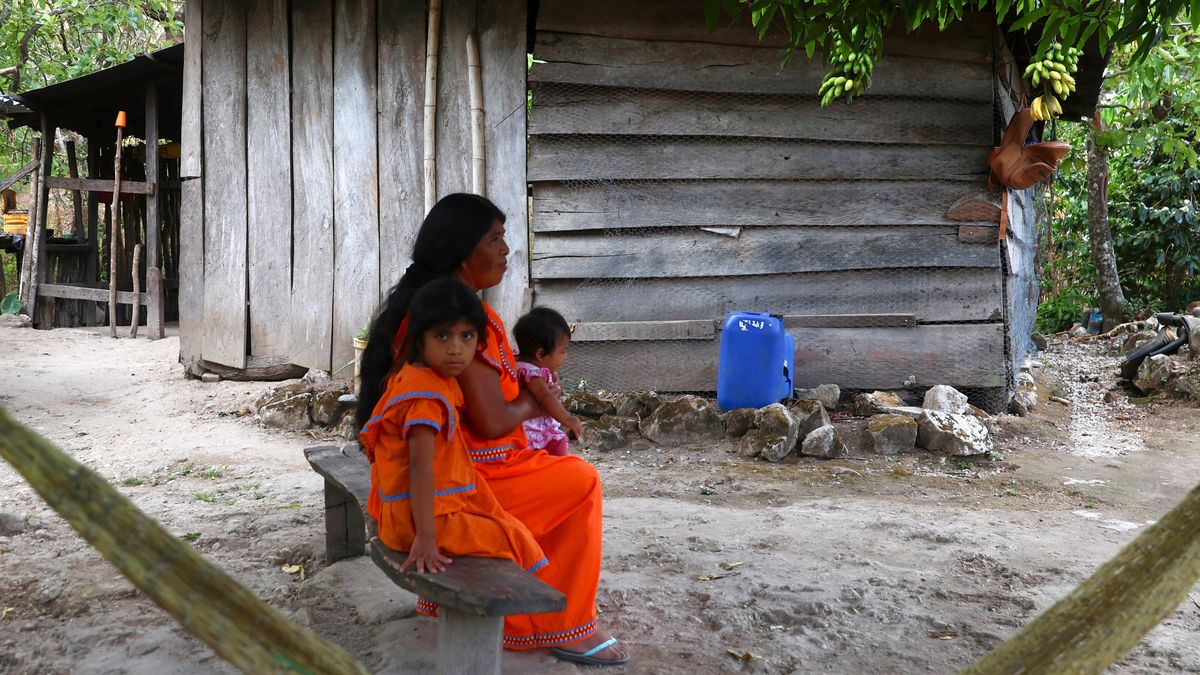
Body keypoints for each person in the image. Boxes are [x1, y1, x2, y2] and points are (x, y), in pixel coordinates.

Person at [355, 194, 630, 666]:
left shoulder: (433, 308)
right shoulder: (460, 320)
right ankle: (563, 625)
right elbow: (491, 421)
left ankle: (532, 611)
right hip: (467, 483)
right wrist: (536, 401)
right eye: (495, 239)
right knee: (582, 481)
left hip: (452, 475)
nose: (506, 250)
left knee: (560, 471)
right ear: (463, 250)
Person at [359, 278, 545, 577]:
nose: (456, 349)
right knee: (515, 539)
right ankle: (518, 610)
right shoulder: (425, 399)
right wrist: (426, 537)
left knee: (503, 522)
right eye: (442, 336)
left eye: (466, 336)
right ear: (419, 339)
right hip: (416, 525)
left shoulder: (418, 376)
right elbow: (420, 468)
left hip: (409, 513)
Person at [512, 307, 584, 456]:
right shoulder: (533, 374)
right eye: (563, 351)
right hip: (535, 434)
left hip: (524, 430)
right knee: (558, 448)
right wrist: (567, 418)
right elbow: (544, 396)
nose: (565, 356)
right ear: (540, 354)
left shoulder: (519, 363)